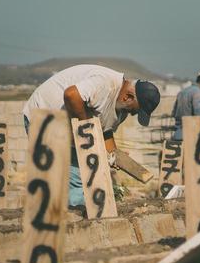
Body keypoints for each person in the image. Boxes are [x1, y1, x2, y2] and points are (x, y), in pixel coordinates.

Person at [22, 64, 160, 209]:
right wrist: (86, 128)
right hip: (44, 116)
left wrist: (114, 156)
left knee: (83, 175)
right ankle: (75, 218)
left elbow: (105, 132)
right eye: (136, 110)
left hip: (66, 131)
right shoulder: (105, 83)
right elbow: (72, 95)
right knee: (77, 179)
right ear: (127, 97)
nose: (133, 114)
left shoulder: (121, 111)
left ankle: (70, 213)